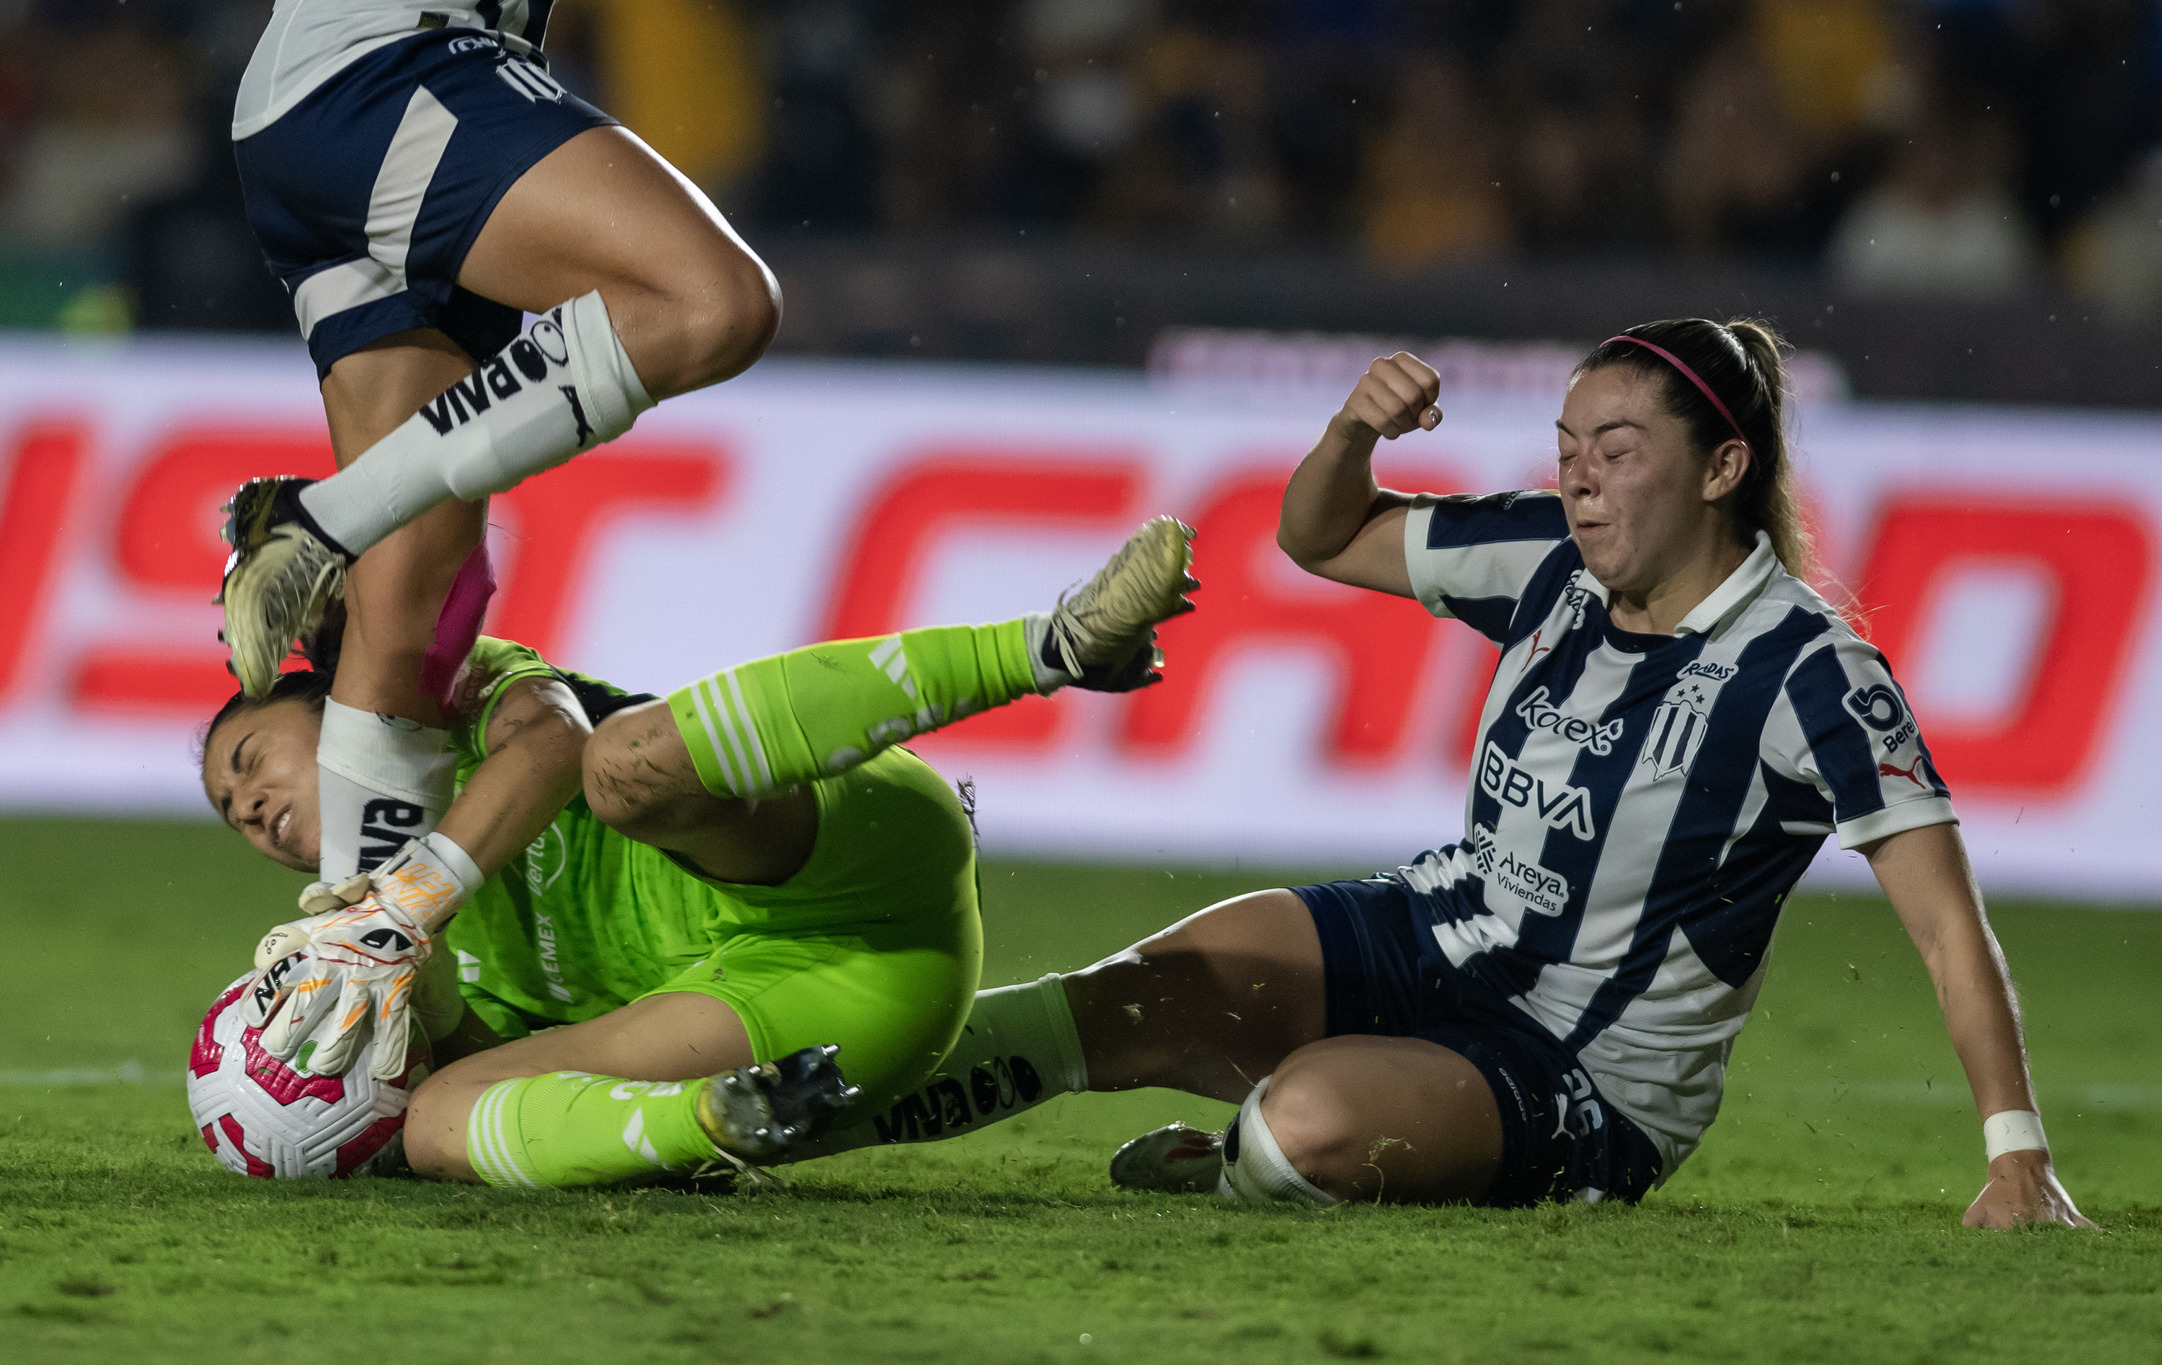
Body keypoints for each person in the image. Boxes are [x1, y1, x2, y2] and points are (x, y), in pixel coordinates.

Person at [793, 320, 2093, 1229]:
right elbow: (1321, 534)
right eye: (1567, 443)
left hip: (1586, 1073)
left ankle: (1250, 1165)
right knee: (1123, 1000)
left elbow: (1940, 922)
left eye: (1618, 448)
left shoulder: (1808, 672)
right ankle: (766, 1120)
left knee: (1299, 1131)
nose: (1577, 478)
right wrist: (1353, 430)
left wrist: (2014, 1151)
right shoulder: (1544, 556)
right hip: (1437, 927)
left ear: (1723, 468)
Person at [200, 516, 1197, 1187]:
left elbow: (551, 742)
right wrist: (402, 1049)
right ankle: (716, 1127)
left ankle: (1052, 646)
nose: (245, 805)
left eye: (246, 760)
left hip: (833, 851)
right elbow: (489, 1075)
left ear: (330, 710)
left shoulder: (445, 705)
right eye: (229, 813)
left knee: (623, 764)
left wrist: (413, 900)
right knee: (435, 1124)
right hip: (838, 1007)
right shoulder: (387, 952)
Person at [214, 3, 784, 895]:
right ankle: (326, 518)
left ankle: (366, 985)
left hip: (311, 115)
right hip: (391, 69)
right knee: (712, 304)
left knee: (411, 626)